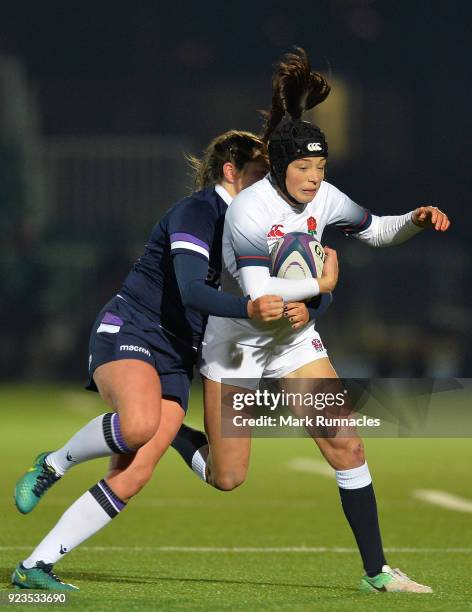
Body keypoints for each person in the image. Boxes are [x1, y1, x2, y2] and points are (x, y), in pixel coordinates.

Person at [170, 48, 450, 594]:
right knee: (227, 478)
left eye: (321, 168)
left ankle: (377, 573)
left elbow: (376, 230)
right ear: (278, 166)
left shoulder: (326, 196)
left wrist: (414, 220)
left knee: (346, 442)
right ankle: (165, 432)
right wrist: (322, 288)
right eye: (304, 167)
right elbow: (259, 295)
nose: (314, 178)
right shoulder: (250, 211)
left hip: (294, 343)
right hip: (237, 346)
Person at [12, 130, 339, 591]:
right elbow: (191, 290)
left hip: (180, 352)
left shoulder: (267, 225)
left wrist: (320, 292)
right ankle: (53, 464)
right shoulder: (198, 211)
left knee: (135, 472)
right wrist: (250, 307)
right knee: (141, 425)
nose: (273, 186)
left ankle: (34, 566)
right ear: (230, 172)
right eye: (261, 174)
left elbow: (294, 287)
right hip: (133, 328)